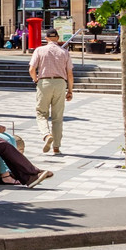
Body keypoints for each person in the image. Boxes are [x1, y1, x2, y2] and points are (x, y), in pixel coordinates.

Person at [28, 27, 74, 155]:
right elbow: (70, 73)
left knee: (41, 113)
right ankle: (56, 147)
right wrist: (70, 90)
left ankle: (46, 134)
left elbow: (32, 69)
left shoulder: (39, 50)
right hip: (60, 83)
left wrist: (36, 80)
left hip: (44, 82)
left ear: (46, 38)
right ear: (58, 38)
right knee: (57, 117)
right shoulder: (64, 52)